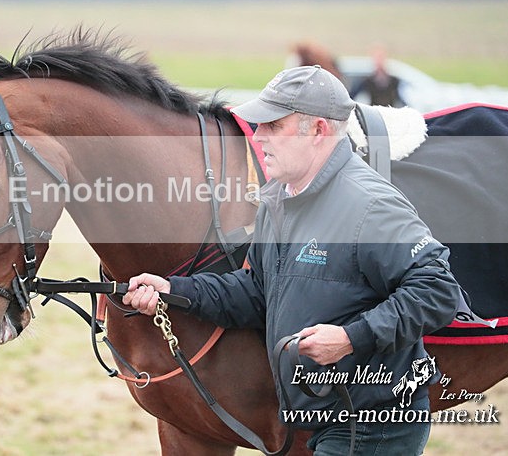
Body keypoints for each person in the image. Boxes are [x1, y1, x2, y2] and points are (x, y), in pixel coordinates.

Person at [123, 65, 463, 455]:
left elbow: (438, 291)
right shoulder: (278, 202)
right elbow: (256, 293)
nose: (259, 137)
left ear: (318, 130)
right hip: (323, 421)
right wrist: (173, 290)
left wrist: (350, 339)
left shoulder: (370, 205)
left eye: (274, 126)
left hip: (372, 425)